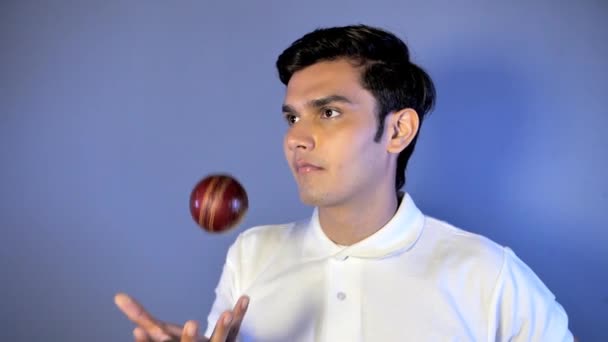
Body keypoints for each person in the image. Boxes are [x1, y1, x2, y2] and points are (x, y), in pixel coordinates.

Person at [115, 24, 575, 341]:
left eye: (329, 113)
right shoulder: (252, 256)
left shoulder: (490, 276)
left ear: (398, 130)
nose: (296, 137)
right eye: (292, 117)